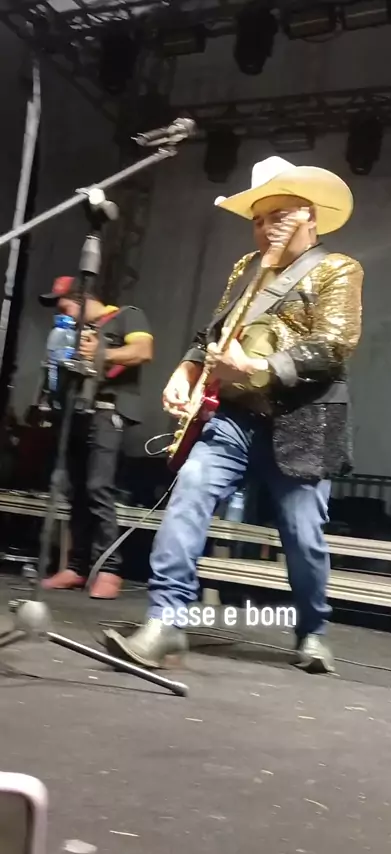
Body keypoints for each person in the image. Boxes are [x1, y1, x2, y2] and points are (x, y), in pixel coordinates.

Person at [104, 155, 364, 670]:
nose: (266, 228)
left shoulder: (338, 269)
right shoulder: (247, 269)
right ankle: (165, 621)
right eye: (259, 219)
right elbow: (214, 332)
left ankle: (312, 631)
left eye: (279, 216)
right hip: (234, 419)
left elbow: (334, 347)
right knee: (190, 492)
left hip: (303, 422)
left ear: (310, 217)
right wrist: (187, 367)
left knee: (304, 537)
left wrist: (258, 367)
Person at [38, 276, 153, 599]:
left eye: (66, 309)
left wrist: (102, 351)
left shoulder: (127, 315)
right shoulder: (71, 332)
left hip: (107, 410)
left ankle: (109, 569)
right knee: (75, 491)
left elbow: (144, 351)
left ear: (83, 299)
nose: (64, 316)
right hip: (77, 413)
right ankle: (76, 566)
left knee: (98, 487)